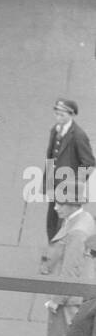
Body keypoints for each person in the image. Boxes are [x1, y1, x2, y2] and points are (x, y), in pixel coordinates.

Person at [35, 200, 96, 336]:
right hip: (82, 291)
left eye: (60, 204)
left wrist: (56, 299)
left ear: (73, 204)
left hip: (69, 296)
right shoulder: (83, 219)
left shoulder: (76, 231)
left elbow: (70, 269)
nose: (55, 208)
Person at [44, 99, 94, 242]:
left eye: (62, 114)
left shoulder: (78, 135)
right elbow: (51, 156)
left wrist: (74, 186)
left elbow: (89, 163)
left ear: (71, 114)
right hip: (54, 185)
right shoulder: (55, 130)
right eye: (56, 114)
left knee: (64, 224)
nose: (58, 117)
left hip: (67, 188)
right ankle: (52, 248)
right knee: (52, 221)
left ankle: (60, 251)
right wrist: (48, 183)